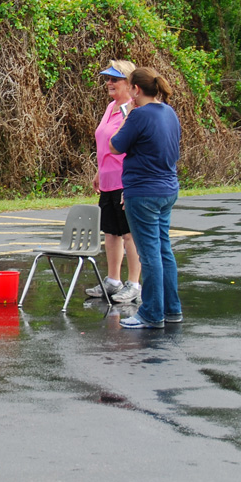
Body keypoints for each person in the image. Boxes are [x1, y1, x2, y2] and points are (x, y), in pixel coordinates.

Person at [109, 67, 182, 329]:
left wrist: (127, 118)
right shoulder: (169, 113)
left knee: (149, 253)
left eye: (129, 87)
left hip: (143, 191)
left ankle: (151, 312)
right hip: (167, 188)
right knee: (164, 250)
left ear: (136, 89)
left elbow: (115, 145)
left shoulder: (138, 116)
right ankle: (171, 309)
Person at [86, 60, 142, 304]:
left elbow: (129, 146)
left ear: (129, 83)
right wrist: (100, 170)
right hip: (108, 179)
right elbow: (105, 142)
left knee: (129, 233)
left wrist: (128, 182)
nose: (109, 83)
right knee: (111, 232)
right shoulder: (111, 107)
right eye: (107, 79)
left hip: (124, 180)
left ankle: (134, 284)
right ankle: (112, 280)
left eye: (114, 79)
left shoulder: (131, 110)